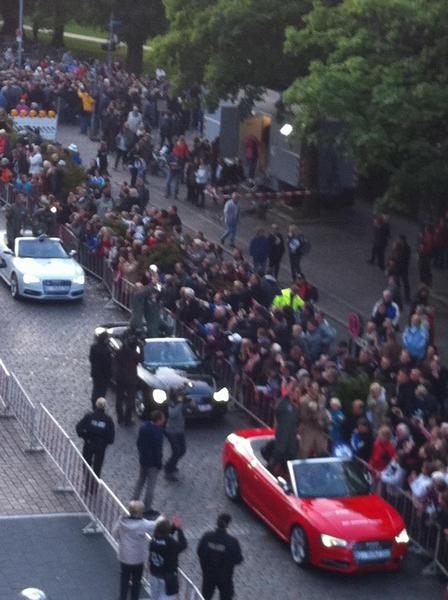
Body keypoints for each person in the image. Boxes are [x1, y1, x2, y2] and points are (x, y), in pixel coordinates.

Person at [113, 500, 161, 600]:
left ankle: (122, 597)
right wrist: (161, 518)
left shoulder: (121, 521)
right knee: (136, 581)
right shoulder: (142, 524)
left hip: (124, 556)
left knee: (124, 578)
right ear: (140, 513)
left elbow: (114, 533)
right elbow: (154, 525)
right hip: (137, 558)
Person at [197, 513, 243, 600]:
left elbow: (200, 552)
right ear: (228, 525)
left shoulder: (207, 537)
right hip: (225, 577)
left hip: (208, 575)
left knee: (205, 597)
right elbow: (238, 559)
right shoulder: (232, 541)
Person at [133, 410, 166, 515]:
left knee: (140, 481)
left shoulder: (143, 428)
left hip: (143, 460)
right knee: (151, 486)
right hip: (152, 463)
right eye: (162, 418)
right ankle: (147, 508)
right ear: (159, 420)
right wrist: (159, 463)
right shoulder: (158, 432)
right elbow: (158, 450)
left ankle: (133, 502)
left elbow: (139, 443)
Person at [149, 516, 187, 599]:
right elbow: (183, 545)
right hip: (167, 578)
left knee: (154, 597)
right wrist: (179, 529)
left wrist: (173, 527)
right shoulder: (171, 544)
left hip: (154, 574)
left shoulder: (153, 541)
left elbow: (165, 536)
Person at [75, 397, 115, 477]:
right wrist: (106, 443)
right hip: (100, 446)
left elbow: (78, 427)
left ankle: (86, 479)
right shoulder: (108, 420)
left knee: (86, 464)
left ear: (96, 405)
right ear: (105, 407)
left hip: (89, 443)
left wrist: (85, 437)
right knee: (97, 466)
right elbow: (111, 435)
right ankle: (95, 481)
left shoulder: (89, 416)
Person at [115, 330, 142, 425]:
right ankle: (127, 419)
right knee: (130, 399)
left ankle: (120, 418)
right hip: (131, 378)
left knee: (119, 398)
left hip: (120, 377)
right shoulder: (133, 354)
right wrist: (141, 347)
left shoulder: (120, 351)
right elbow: (141, 359)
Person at [164, 393, 187, 481]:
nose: (181, 397)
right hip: (171, 432)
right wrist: (180, 404)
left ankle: (171, 465)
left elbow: (186, 410)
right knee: (176, 452)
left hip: (180, 431)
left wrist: (191, 405)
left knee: (182, 450)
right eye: (179, 395)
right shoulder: (172, 404)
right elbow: (172, 414)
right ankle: (168, 469)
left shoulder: (181, 403)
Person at [89, 330, 112, 410]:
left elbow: (91, 359)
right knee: (102, 393)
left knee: (96, 390)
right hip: (104, 376)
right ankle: (100, 407)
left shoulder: (93, 347)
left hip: (95, 373)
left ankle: (94, 405)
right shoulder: (106, 351)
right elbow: (108, 365)